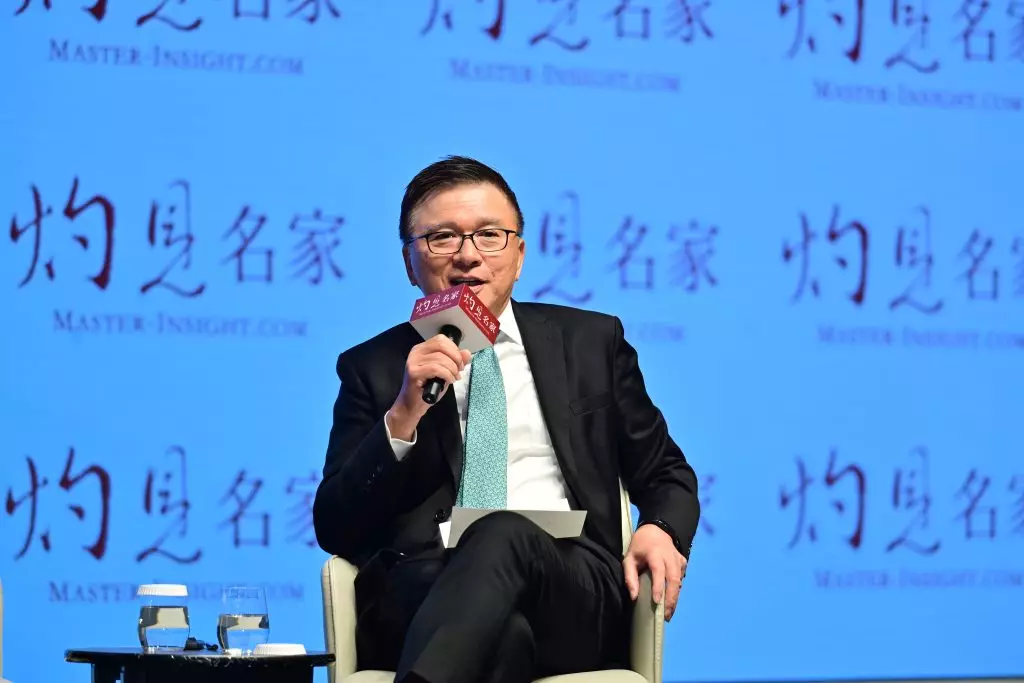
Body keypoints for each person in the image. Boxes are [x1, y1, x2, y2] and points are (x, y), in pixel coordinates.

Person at [313, 156, 699, 683]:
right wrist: (403, 415)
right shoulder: (374, 368)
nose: (468, 255)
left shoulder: (591, 343)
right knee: (505, 639)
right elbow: (335, 526)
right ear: (409, 263)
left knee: (501, 532)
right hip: (423, 589)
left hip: (569, 588)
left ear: (519, 255)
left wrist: (660, 528)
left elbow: (667, 474)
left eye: (490, 235)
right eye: (442, 238)